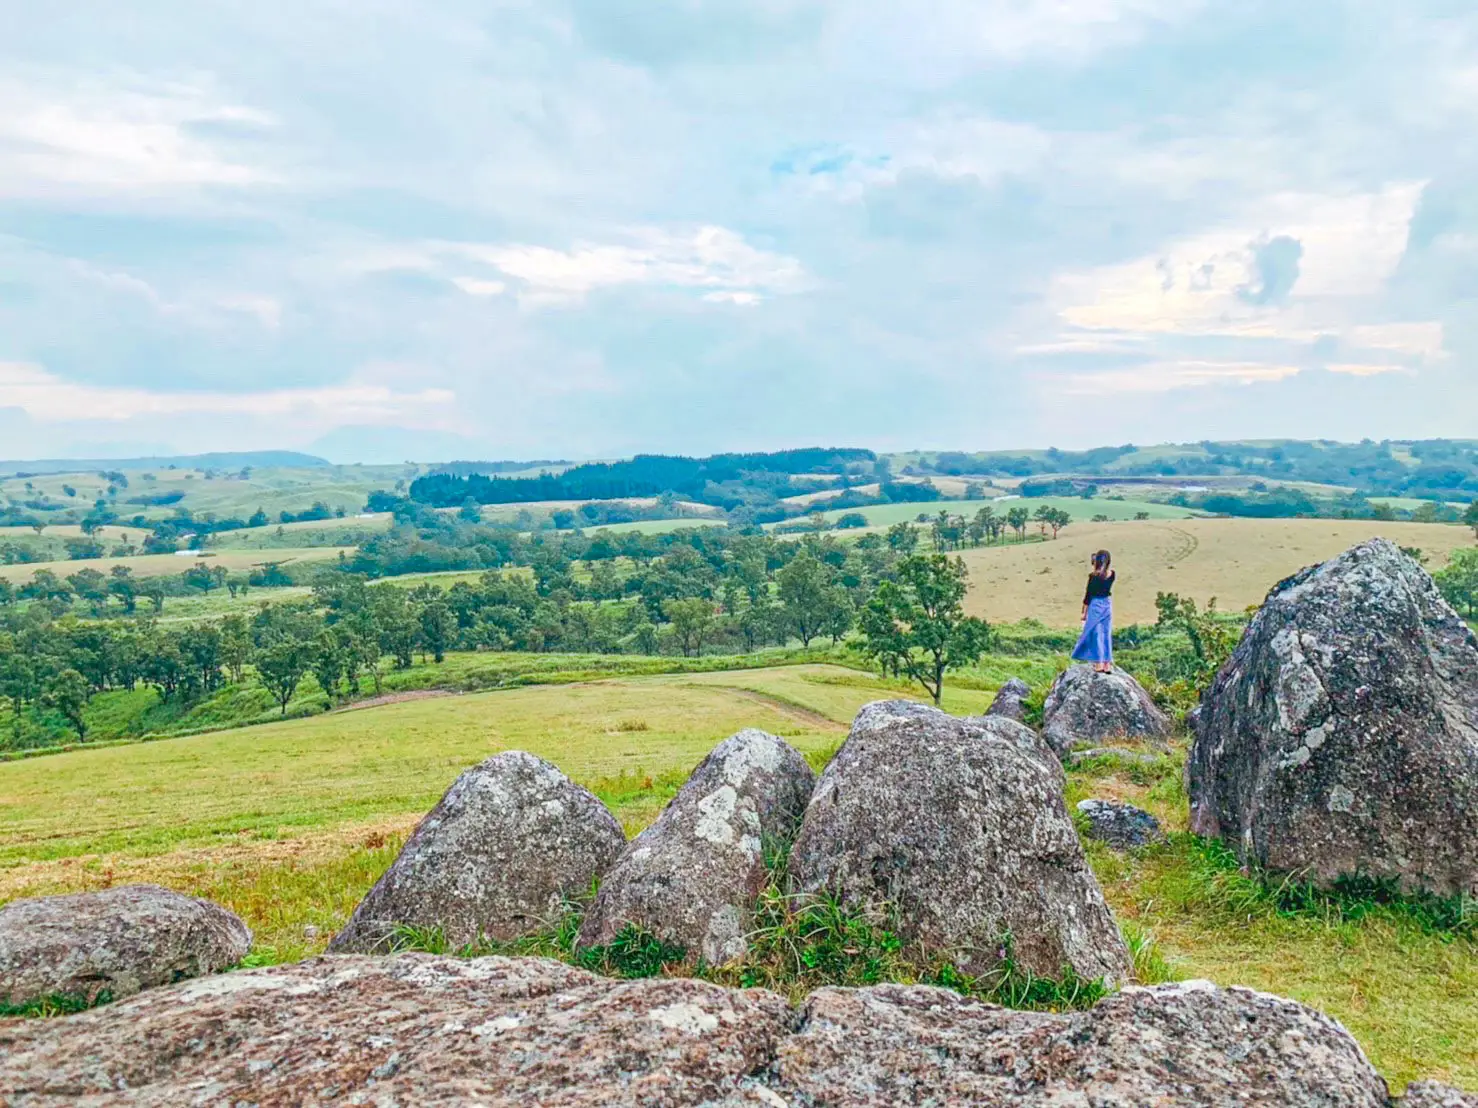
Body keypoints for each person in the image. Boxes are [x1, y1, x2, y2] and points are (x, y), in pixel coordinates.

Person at [1072, 550, 1115, 673]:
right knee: (1106, 633)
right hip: (1107, 604)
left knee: (1095, 634)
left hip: (1095, 605)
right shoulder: (1112, 574)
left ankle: (1099, 663)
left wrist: (1084, 613)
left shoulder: (1093, 577)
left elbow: (1088, 595)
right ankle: (1107, 664)